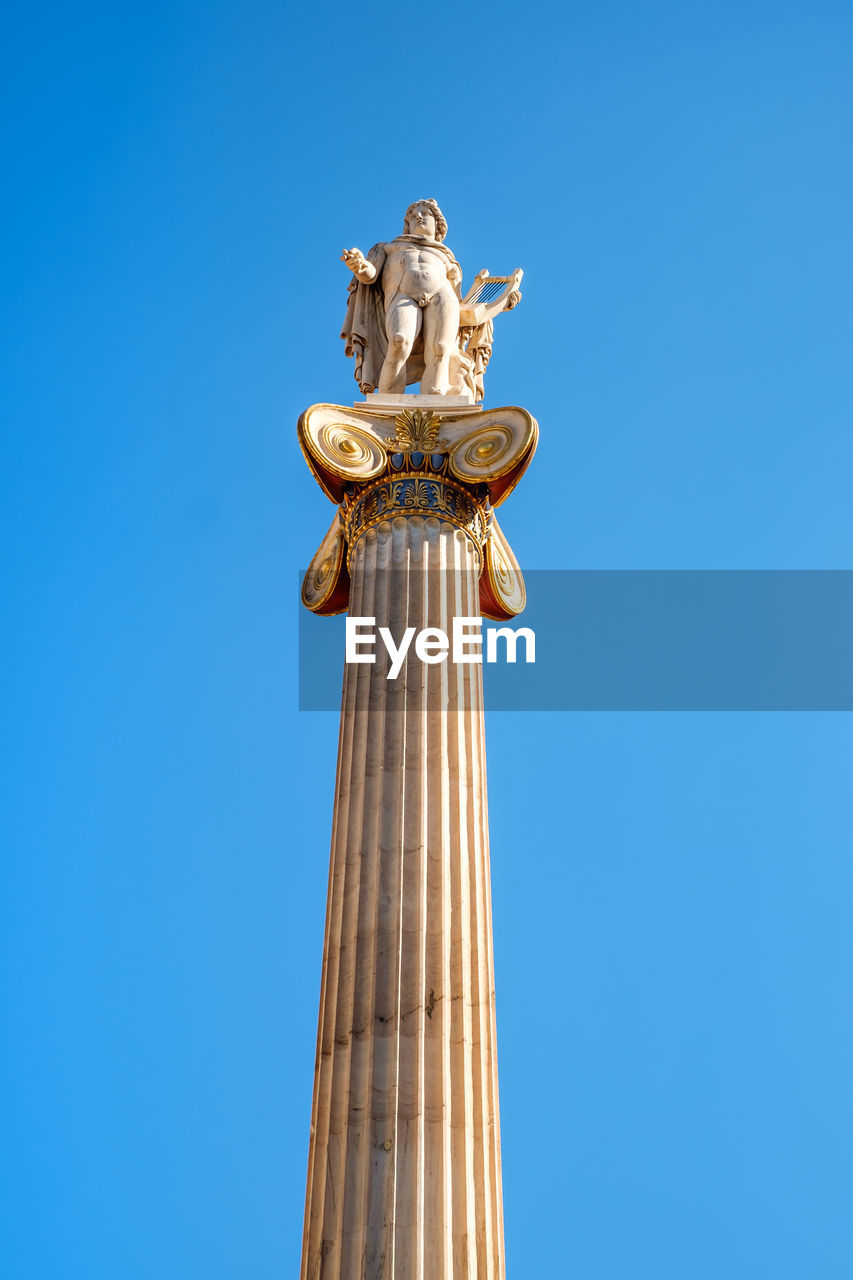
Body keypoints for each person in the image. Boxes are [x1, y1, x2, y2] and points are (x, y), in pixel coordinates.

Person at [341, 200, 469, 396]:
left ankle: (435, 398)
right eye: (413, 215)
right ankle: (388, 399)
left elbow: (462, 305)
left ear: (438, 225)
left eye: (425, 213)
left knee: (441, 348)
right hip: (402, 295)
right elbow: (371, 274)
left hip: (442, 295)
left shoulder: (446, 257)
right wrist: (359, 265)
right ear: (407, 224)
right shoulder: (390, 248)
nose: (418, 216)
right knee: (399, 341)